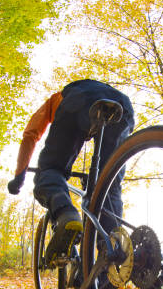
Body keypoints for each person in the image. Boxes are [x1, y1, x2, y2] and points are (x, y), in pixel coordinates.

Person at [7, 79, 134, 261]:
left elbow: (31, 134)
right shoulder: (106, 92)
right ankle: (110, 255)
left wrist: (19, 176)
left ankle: (66, 213)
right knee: (108, 183)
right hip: (124, 107)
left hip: (80, 99)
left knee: (50, 169)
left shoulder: (57, 99)